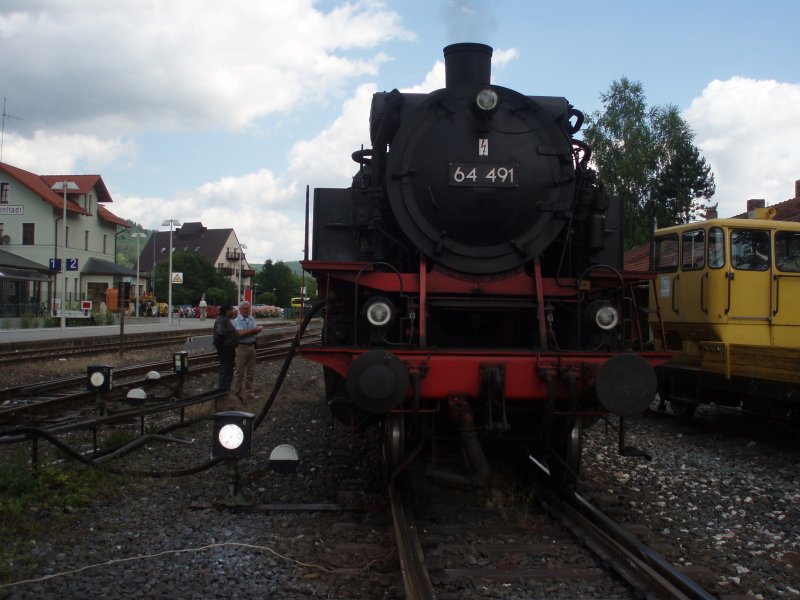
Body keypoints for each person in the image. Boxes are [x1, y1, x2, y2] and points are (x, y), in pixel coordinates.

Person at [230, 301, 263, 404]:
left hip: (251, 347)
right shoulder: (236, 321)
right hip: (242, 347)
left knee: (250, 372)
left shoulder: (251, 319)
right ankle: (236, 392)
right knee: (239, 371)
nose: (247, 310)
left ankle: (248, 392)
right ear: (240, 310)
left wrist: (252, 331)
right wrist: (254, 331)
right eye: (245, 309)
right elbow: (241, 334)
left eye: (248, 308)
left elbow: (250, 332)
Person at [213, 302, 238, 391]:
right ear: (227, 311)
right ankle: (223, 389)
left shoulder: (225, 319)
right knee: (226, 369)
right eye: (232, 309)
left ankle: (226, 388)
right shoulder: (223, 320)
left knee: (228, 368)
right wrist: (227, 341)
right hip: (226, 348)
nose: (233, 311)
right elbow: (220, 333)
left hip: (228, 348)